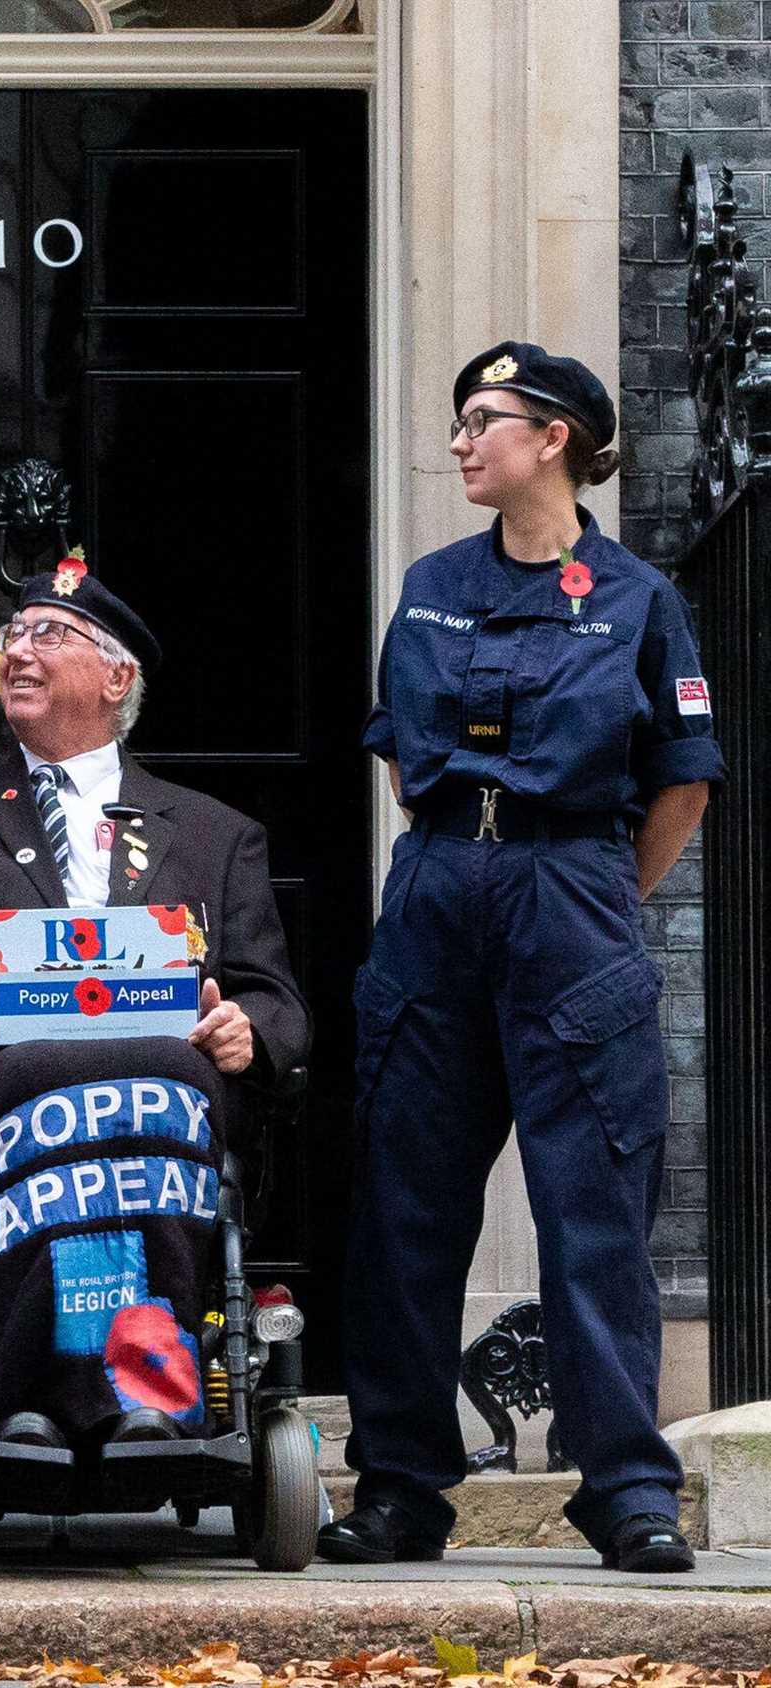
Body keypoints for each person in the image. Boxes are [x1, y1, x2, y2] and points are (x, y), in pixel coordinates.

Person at [319, 342, 725, 1575]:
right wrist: (468, 859)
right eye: (456, 420)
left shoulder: (636, 596)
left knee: (591, 1209)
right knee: (403, 1205)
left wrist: (589, 887)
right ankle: (398, 1485)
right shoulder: (431, 582)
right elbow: (398, 748)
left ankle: (622, 1489)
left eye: (480, 420)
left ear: (552, 437)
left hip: (570, 896)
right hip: (441, 889)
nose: (457, 440)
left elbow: (680, 783)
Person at [0, 560, 310, 1444]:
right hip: (2, 1075)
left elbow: (276, 1000)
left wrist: (249, 1031)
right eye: (13, 636)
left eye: (49, 635)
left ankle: (89, 1398)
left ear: (116, 676)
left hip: (168, 1076)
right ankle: (67, 1396)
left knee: (154, 1081)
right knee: (60, 1081)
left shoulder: (212, 832)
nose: (19, 652)